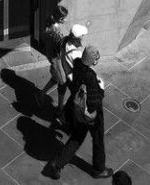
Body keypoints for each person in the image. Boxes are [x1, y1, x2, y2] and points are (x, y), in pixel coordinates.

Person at [42, 45, 106, 180]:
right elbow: (94, 102)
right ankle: (99, 169)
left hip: (76, 108)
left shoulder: (77, 64)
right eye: (95, 58)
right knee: (98, 139)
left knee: (76, 138)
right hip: (90, 114)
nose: (97, 61)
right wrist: (101, 89)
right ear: (92, 61)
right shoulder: (90, 76)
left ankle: (57, 164)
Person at [38, 6, 75, 110]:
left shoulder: (49, 23)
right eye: (64, 18)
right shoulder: (57, 33)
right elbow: (61, 48)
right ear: (59, 19)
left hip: (51, 54)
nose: (66, 20)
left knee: (56, 78)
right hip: (57, 58)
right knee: (62, 82)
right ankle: (60, 108)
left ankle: (41, 94)